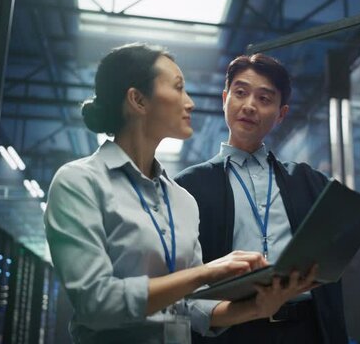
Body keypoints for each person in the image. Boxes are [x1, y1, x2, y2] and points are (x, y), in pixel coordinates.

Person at [173, 53, 360, 343]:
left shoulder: (304, 179)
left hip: (309, 329)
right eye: (240, 93)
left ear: (281, 115)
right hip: (233, 331)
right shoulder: (188, 187)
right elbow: (182, 283)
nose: (250, 105)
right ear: (225, 99)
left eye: (264, 98)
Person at [44, 44, 316, 344]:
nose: (190, 103)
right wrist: (205, 274)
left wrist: (256, 307)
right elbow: (96, 304)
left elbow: (190, 306)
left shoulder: (181, 199)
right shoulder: (79, 182)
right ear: (138, 100)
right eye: (178, 88)